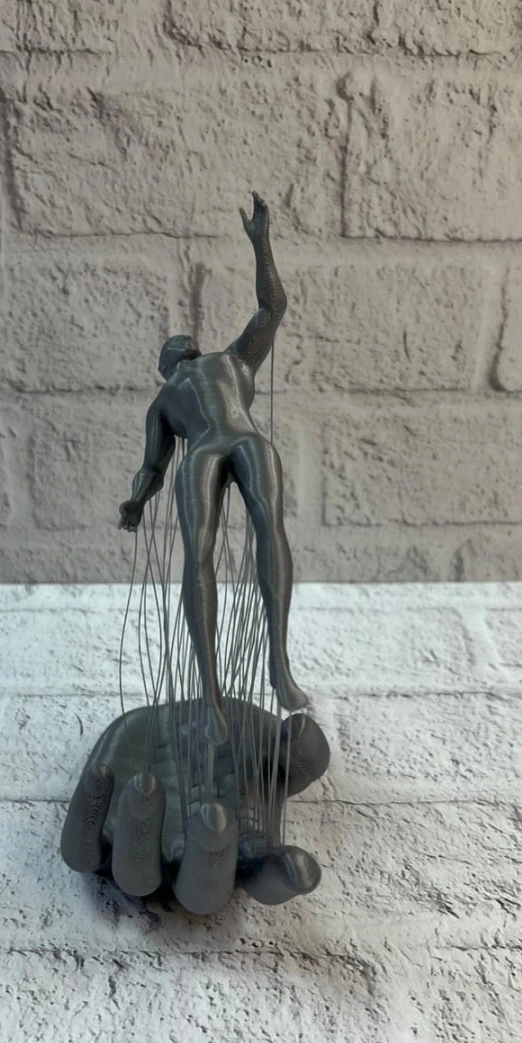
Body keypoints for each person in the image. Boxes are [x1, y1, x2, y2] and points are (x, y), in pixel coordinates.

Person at [119, 192, 308, 744]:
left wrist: (261, 242)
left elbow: (273, 308)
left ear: (174, 360)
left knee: (217, 548)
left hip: (215, 448)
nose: (174, 349)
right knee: (250, 536)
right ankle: (231, 687)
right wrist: (136, 501)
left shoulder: (218, 367)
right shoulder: (211, 374)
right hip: (235, 443)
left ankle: (254, 674)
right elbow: (150, 467)